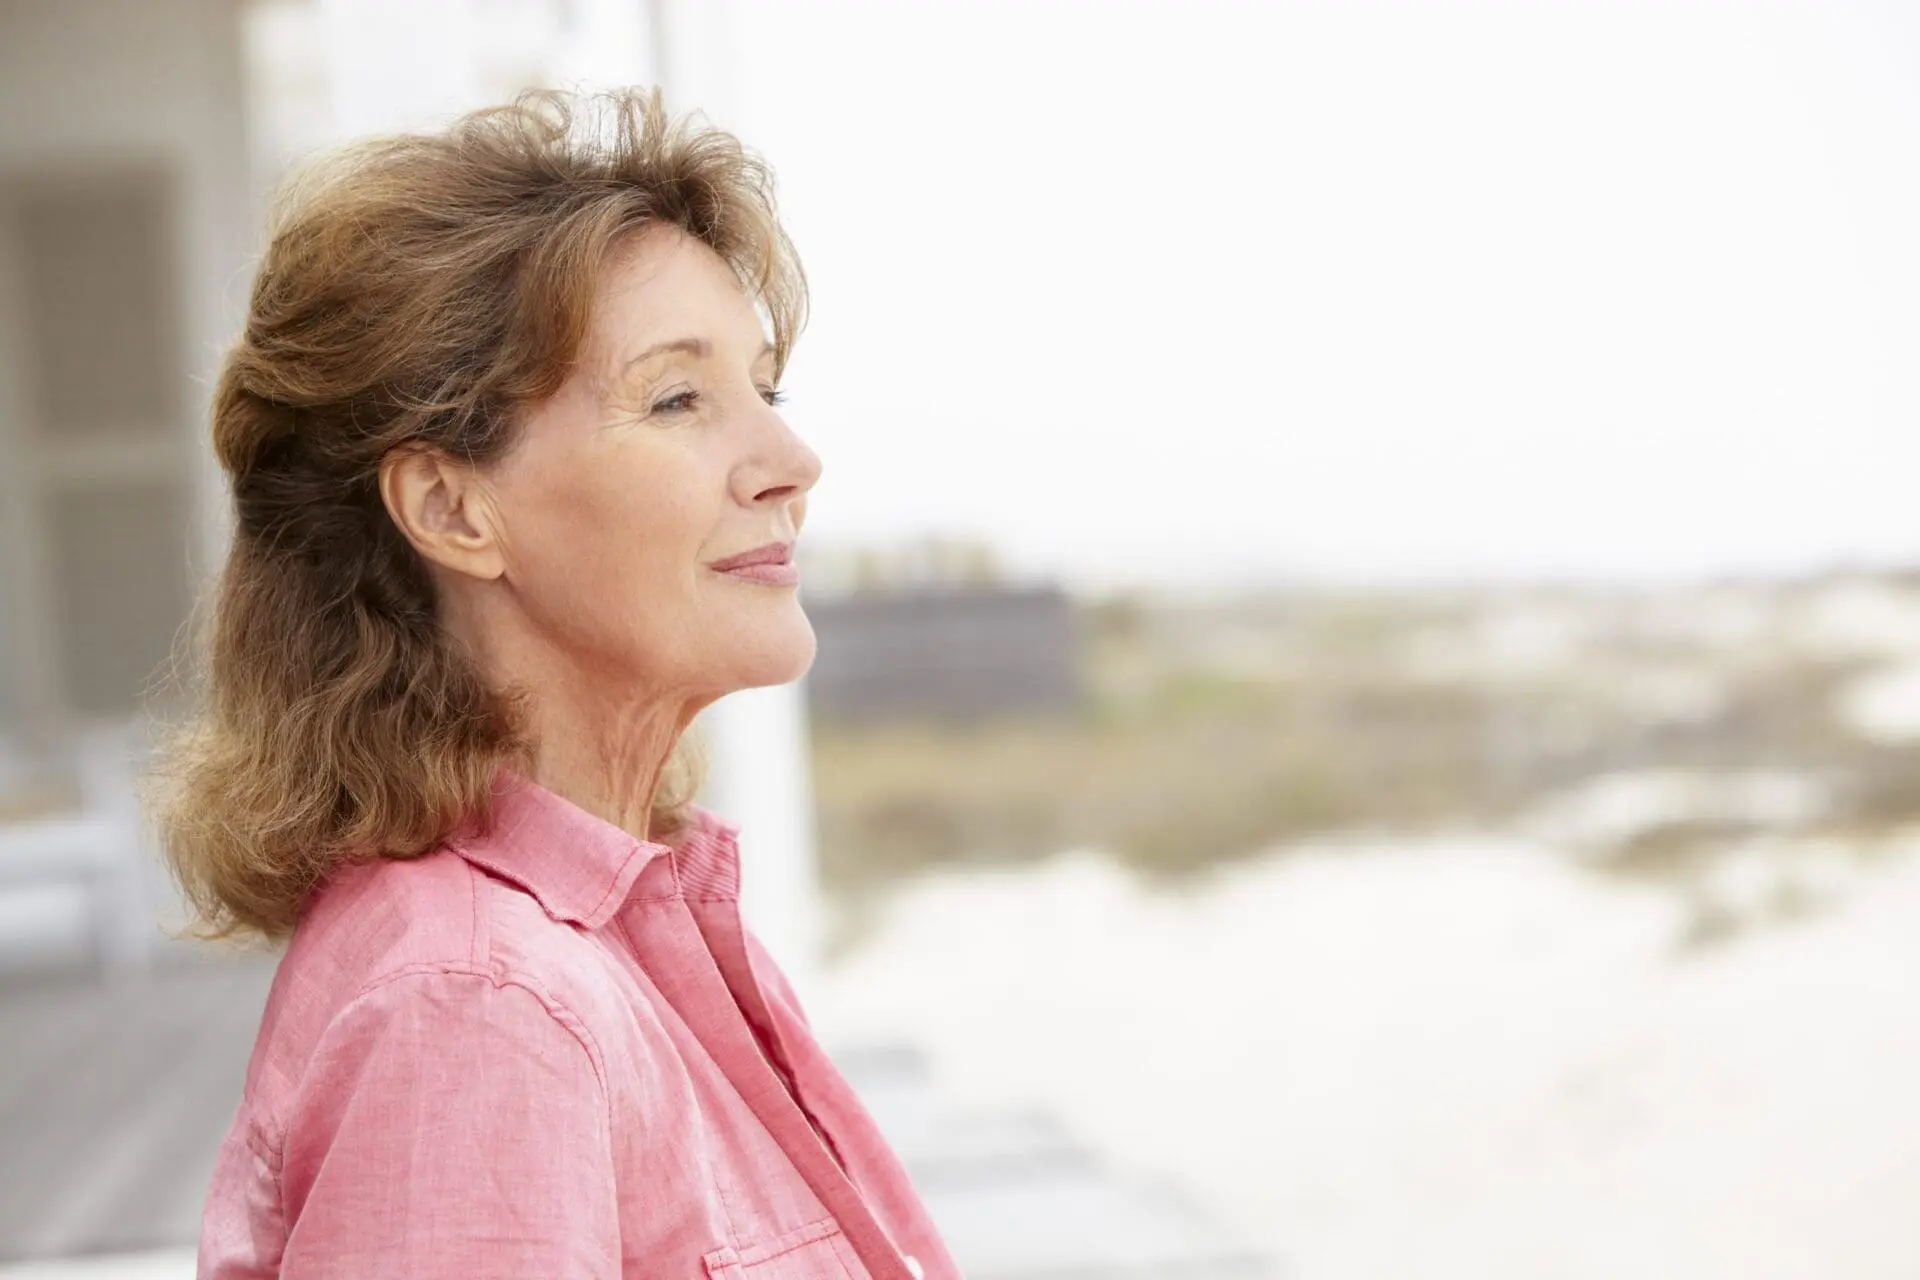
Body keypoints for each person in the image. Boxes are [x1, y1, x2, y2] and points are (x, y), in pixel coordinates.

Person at [148, 87, 955, 1280]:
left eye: (764, 389)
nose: (791, 463)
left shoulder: (623, 935)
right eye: (677, 397)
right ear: (451, 507)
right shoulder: (479, 1009)